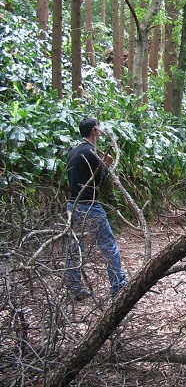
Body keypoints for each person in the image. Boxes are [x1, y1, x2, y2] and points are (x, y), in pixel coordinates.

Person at [65, 117, 127, 301]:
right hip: (88, 205)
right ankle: (119, 285)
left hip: (72, 204)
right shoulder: (91, 152)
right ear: (93, 130)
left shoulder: (73, 151)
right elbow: (97, 181)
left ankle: (74, 287)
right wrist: (106, 165)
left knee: (76, 247)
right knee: (108, 246)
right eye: (97, 129)